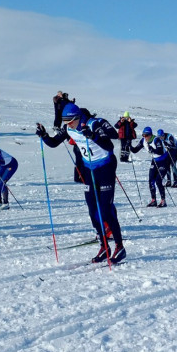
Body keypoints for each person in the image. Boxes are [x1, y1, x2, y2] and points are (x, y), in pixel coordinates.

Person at [37, 103, 126, 264]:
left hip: (106, 167)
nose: (67, 124)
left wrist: (93, 136)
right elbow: (54, 142)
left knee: (105, 210)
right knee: (93, 211)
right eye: (65, 121)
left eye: (70, 121)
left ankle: (119, 246)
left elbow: (110, 143)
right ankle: (104, 246)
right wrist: (43, 135)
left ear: (78, 117)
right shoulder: (69, 128)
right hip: (89, 169)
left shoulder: (94, 124)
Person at [131, 126, 170, 207]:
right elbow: (135, 150)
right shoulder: (143, 141)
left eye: (146, 135)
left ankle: (163, 201)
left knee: (158, 181)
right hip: (155, 161)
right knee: (151, 180)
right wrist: (129, 146)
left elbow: (160, 151)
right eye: (143, 135)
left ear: (150, 135)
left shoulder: (156, 140)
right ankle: (153, 200)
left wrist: (153, 150)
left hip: (164, 161)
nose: (145, 137)